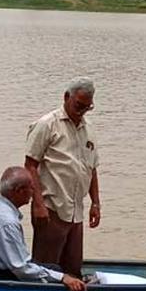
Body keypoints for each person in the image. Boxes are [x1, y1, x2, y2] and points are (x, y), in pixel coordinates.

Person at [25, 77, 101, 277]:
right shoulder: (47, 125)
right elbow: (30, 165)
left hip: (76, 211)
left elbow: (92, 168)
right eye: (78, 105)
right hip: (51, 209)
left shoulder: (88, 129)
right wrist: (38, 204)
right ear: (67, 97)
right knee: (47, 270)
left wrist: (96, 203)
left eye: (87, 107)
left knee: (73, 269)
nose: (82, 111)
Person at [0, 166, 87, 291]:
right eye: (31, 187)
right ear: (19, 191)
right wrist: (62, 277)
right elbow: (21, 269)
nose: (34, 191)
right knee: (57, 273)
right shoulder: (7, 222)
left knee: (54, 268)